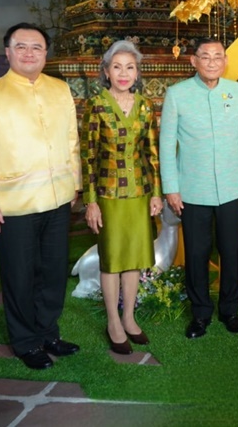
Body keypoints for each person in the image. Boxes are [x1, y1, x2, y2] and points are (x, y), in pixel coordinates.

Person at [0, 23, 81, 370]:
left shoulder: (60, 90)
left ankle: (48, 333)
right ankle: (25, 342)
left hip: (58, 200)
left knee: (54, 272)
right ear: (8, 52)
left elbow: (72, 140)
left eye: (37, 47)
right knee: (19, 275)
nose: (29, 53)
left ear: (46, 53)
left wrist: (74, 183)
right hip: (12, 206)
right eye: (22, 47)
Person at [160, 38, 238, 339]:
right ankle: (200, 313)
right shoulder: (177, 95)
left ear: (225, 61)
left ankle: (230, 310)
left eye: (218, 56)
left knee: (232, 251)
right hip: (192, 189)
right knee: (197, 253)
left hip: (232, 187)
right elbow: (166, 145)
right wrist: (171, 188)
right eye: (205, 57)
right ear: (194, 61)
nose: (212, 62)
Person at [80, 40, 163, 355]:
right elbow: (88, 156)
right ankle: (113, 321)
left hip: (139, 193)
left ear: (137, 72)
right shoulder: (97, 104)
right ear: (106, 71)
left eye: (130, 67)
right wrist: (90, 201)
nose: (124, 73)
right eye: (117, 67)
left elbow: (151, 153)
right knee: (113, 259)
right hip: (108, 194)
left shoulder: (144, 105)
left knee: (135, 258)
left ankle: (129, 317)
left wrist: (155, 192)